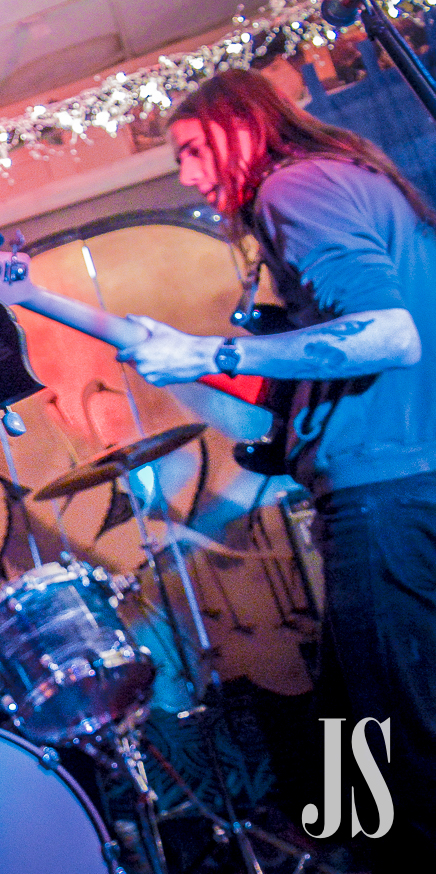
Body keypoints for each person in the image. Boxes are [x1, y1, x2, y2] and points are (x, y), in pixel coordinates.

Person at [115, 68, 436, 865]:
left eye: (194, 150)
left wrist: (211, 352)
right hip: (400, 476)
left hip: (384, 487)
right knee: (345, 739)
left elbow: (388, 334)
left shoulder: (294, 189)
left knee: (396, 737)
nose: (189, 176)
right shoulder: (348, 178)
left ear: (243, 126)